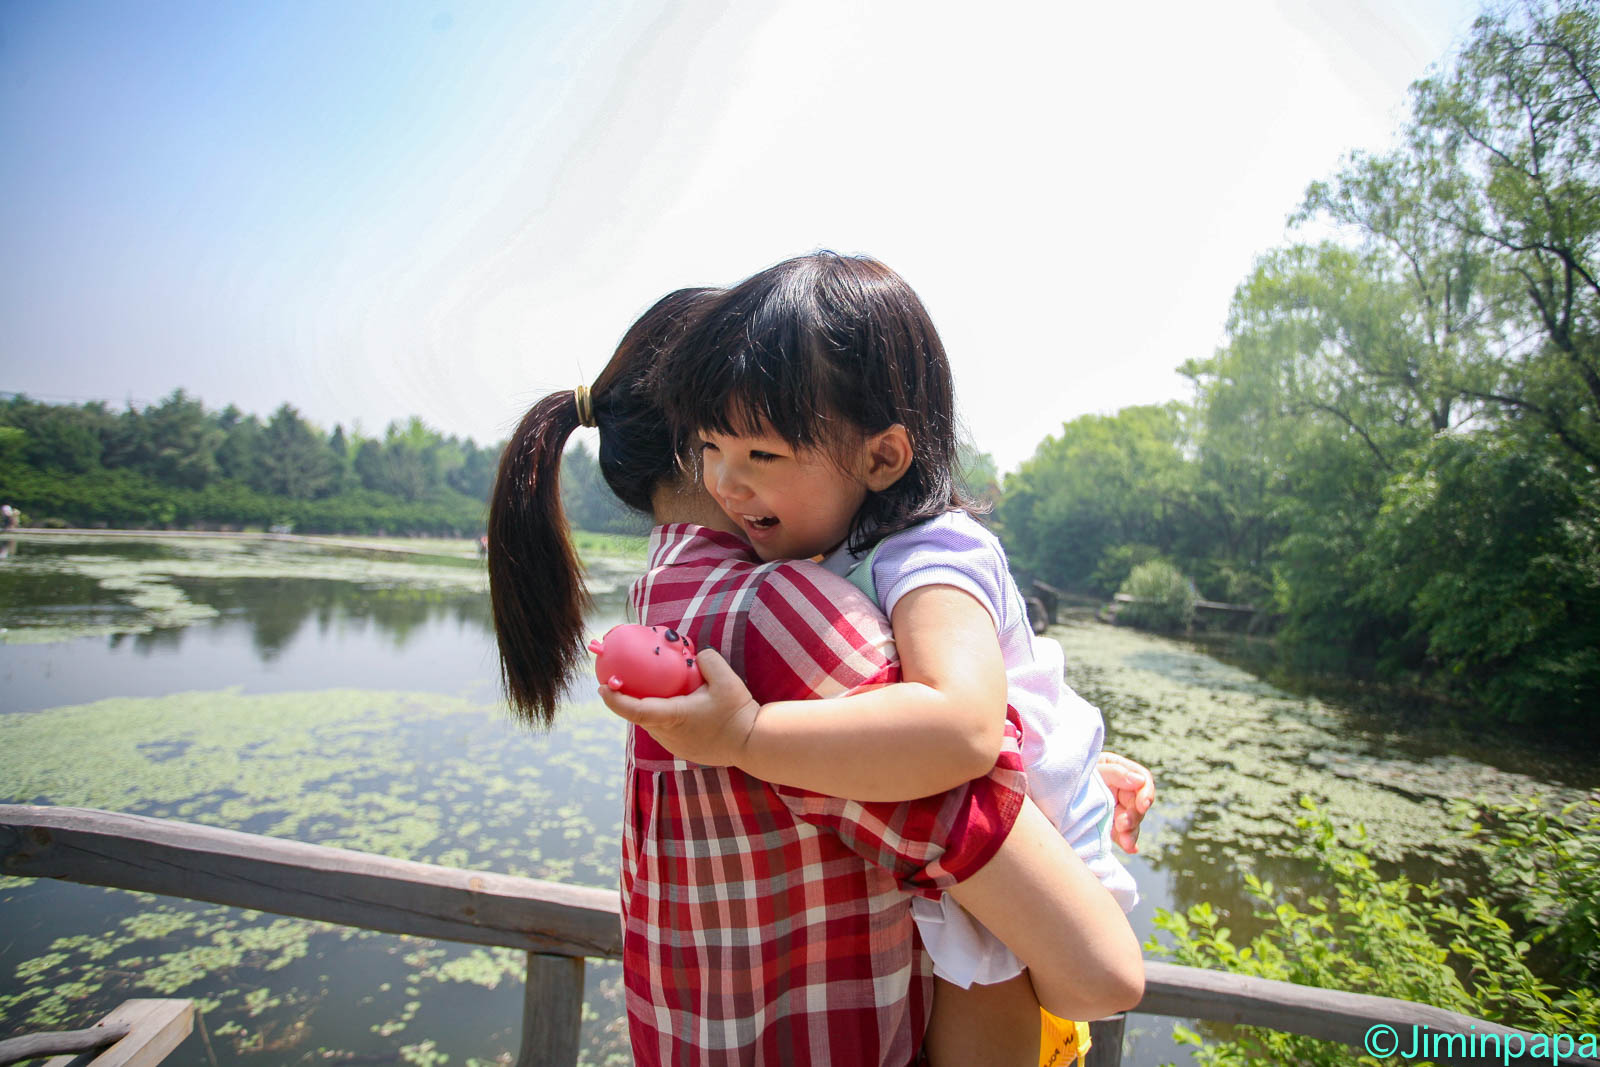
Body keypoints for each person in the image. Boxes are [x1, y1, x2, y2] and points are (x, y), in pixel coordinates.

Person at [489, 288, 1150, 1066]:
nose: (738, 476)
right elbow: (1099, 965)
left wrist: (1058, 770)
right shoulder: (783, 618)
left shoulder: (665, 603)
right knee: (991, 979)